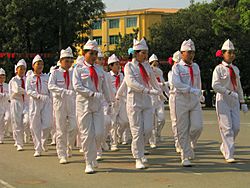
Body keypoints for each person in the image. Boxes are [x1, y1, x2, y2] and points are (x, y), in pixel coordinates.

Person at [73, 39, 112, 174]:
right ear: (84, 53)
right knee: (86, 134)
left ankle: (94, 154)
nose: (94, 56)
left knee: (99, 133)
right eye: (91, 53)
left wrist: (110, 102)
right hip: (83, 104)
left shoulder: (99, 70)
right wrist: (91, 94)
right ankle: (88, 161)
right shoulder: (78, 69)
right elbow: (77, 86)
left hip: (98, 105)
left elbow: (105, 88)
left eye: (96, 54)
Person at [124, 38, 162, 169]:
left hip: (146, 101)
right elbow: (131, 83)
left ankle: (140, 149)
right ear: (136, 53)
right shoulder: (128, 66)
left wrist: (161, 92)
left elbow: (153, 81)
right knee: (136, 131)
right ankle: (138, 157)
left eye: (146, 53)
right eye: (143, 53)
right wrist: (147, 90)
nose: (146, 55)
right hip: (134, 102)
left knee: (148, 129)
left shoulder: (147, 66)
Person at [212, 39, 248, 163]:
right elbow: (215, 85)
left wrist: (243, 102)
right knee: (226, 127)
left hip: (234, 100)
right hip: (223, 99)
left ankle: (225, 146)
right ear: (223, 54)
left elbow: (239, 87)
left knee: (236, 127)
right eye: (229, 52)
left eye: (233, 52)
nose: (232, 55)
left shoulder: (235, 69)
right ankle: (229, 154)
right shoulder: (218, 69)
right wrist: (228, 92)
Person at [171, 39, 203, 167]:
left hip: (194, 100)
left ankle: (190, 144)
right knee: (182, 129)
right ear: (182, 53)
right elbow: (176, 83)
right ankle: (185, 156)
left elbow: (198, 81)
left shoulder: (195, 67)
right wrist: (191, 89)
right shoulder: (176, 67)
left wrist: (199, 94)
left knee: (197, 127)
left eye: (193, 52)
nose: (191, 55)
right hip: (181, 100)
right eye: (188, 52)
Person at [48, 47, 78, 164]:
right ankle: (62, 154)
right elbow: (51, 86)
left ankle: (69, 146)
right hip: (59, 102)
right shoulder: (55, 73)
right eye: (67, 60)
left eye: (71, 61)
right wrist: (63, 91)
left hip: (71, 101)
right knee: (60, 129)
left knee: (74, 127)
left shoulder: (73, 72)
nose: (69, 63)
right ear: (61, 61)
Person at [26, 55, 52, 157]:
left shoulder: (47, 77)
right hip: (35, 102)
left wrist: (50, 99)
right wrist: (37, 96)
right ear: (33, 65)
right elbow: (28, 90)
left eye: (42, 64)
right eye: (38, 64)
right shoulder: (29, 78)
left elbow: (50, 89)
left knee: (47, 125)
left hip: (46, 102)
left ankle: (43, 140)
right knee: (34, 125)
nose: (40, 66)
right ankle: (37, 148)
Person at [108, 54, 129, 151]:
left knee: (125, 121)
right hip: (113, 102)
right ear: (111, 66)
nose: (118, 66)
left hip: (122, 101)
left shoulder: (122, 75)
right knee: (113, 123)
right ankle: (113, 143)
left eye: (118, 64)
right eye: (115, 64)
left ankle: (119, 134)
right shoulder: (108, 76)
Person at [148, 54, 168, 148]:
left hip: (159, 99)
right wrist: (161, 84)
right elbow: (153, 84)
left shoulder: (159, 72)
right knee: (151, 121)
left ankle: (158, 133)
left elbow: (163, 85)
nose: (155, 66)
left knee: (162, 119)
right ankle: (152, 140)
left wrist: (168, 95)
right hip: (151, 98)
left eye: (156, 64)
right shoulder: (148, 72)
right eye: (153, 64)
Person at [9, 59, 29, 151]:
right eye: (20, 68)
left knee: (27, 121)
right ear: (16, 70)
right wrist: (29, 91)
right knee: (17, 123)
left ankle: (26, 134)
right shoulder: (14, 80)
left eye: (23, 69)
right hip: (16, 102)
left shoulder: (27, 79)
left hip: (26, 102)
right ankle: (19, 143)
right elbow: (17, 90)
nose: (22, 70)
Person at [168, 51, 182, 153]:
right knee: (176, 121)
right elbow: (173, 83)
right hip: (174, 96)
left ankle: (186, 141)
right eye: (176, 62)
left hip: (185, 97)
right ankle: (178, 142)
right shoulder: (171, 73)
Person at [0, 68, 11, 144]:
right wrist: (3, 95)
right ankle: (1, 137)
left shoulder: (7, 85)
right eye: (0, 77)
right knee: (0, 121)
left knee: (8, 118)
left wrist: (6, 96)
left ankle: (6, 131)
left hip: (7, 104)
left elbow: (10, 95)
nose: (2, 78)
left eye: (3, 77)